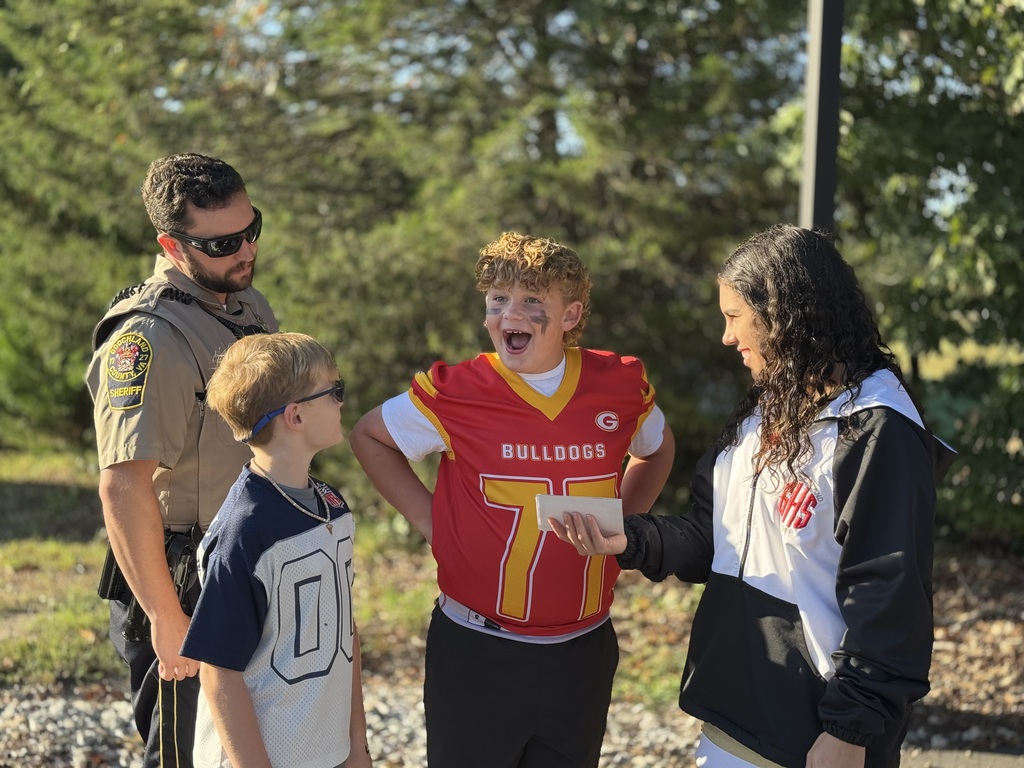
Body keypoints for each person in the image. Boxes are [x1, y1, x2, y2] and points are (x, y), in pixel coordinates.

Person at [550, 224, 956, 768]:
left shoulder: (878, 431)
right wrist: (631, 537)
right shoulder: (766, 409)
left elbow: (892, 599)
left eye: (734, 317)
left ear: (784, 315)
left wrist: (849, 731)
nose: (725, 336)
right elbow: (713, 538)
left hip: (819, 734)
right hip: (738, 713)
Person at [349, 231, 676, 767]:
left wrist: (626, 526)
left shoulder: (618, 383)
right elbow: (370, 436)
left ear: (569, 316)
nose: (509, 314)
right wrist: (435, 524)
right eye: (498, 301)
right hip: (477, 647)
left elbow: (657, 449)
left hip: (583, 647)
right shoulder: (455, 389)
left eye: (530, 301)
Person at [85, 153, 278, 768]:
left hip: (247, 559)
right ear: (172, 244)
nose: (245, 250)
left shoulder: (247, 306)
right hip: (182, 580)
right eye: (223, 242)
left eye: (252, 230)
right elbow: (122, 488)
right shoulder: (148, 339)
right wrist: (165, 616)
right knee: (184, 755)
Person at [180, 332, 372, 768]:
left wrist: (355, 745)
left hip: (327, 754)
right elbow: (218, 671)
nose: (342, 402)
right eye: (334, 391)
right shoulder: (244, 530)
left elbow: (345, 632)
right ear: (296, 416)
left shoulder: (333, 507)